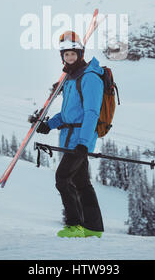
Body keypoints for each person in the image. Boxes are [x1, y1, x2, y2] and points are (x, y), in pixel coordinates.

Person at [36, 30, 104, 238]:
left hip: (80, 139)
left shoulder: (90, 77)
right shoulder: (70, 78)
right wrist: (51, 124)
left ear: (81, 53)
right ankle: (93, 229)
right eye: (66, 54)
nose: (69, 57)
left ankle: (74, 225)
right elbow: (68, 113)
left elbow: (91, 112)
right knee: (81, 182)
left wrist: (83, 142)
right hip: (69, 137)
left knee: (62, 178)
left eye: (73, 54)